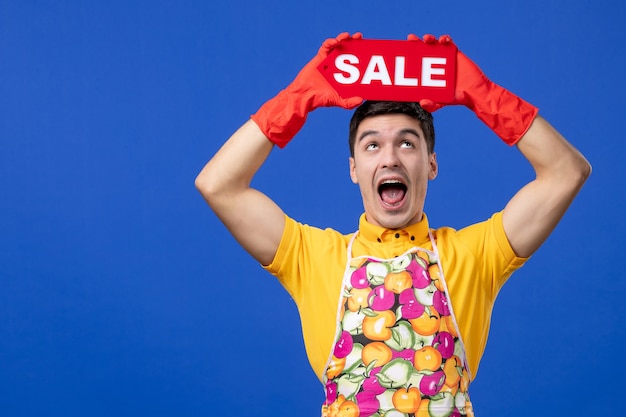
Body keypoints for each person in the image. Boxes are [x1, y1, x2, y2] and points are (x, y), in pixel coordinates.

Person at [195, 32, 591, 417]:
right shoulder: (311, 256)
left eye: (406, 143)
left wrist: (481, 94)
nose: (389, 159)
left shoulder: (476, 253)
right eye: (372, 145)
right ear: (354, 169)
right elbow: (218, 185)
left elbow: (566, 171)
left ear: (431, 164)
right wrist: (296, 100)